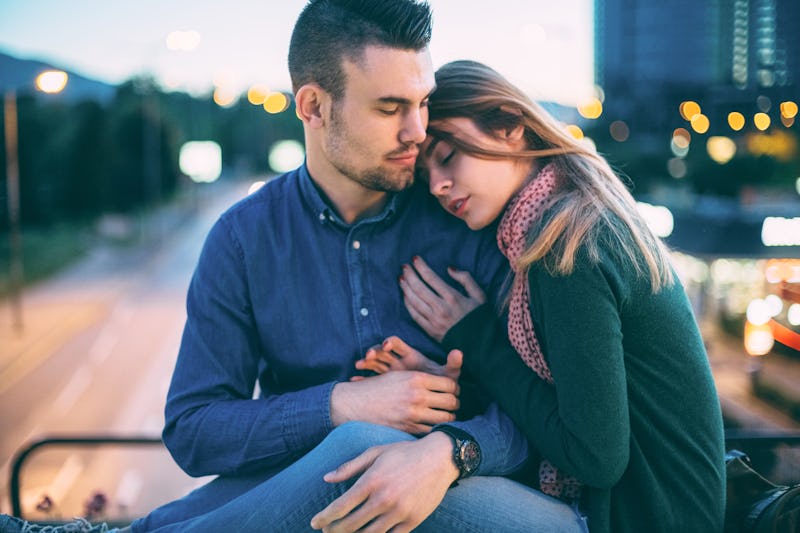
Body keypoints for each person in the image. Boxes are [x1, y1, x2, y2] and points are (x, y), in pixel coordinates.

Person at [0, 3, 588, 533]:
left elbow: (540, 416)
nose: (417, 131)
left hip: (465, 501)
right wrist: (341, 405)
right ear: (313, 106)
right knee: (352, 440)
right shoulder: (242, 240)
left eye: (423, 102)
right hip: (310, 515)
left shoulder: (467, 217)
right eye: (390, 107)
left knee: (361, 447)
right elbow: (194, 431)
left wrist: (446, 450)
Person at [354, 60, 727, 532]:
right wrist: (451, 387)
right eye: (426, 173)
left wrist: (478, 339)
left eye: (447, 156)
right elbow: (569, 407)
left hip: (637, 518)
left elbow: (594, 458)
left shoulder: (568, 248)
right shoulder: (561, 226)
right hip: (637, 510)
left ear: (510, 126)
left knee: (378, 480)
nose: (438, 185)